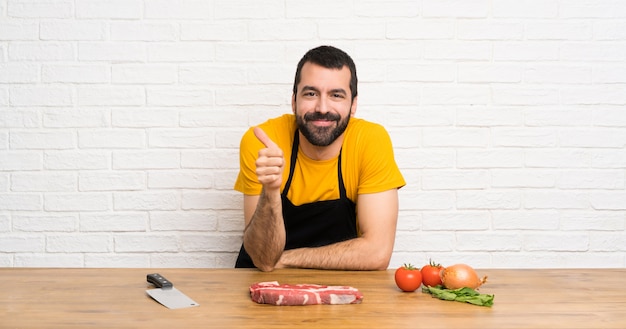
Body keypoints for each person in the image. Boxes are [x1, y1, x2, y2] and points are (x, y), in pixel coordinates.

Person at [234, 45, 405, 271]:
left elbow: (377, 254)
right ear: (294, 100)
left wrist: (285, 259)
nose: (322, 108)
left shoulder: (370, 141)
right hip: (261, 285)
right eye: (311, 94)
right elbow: (263, 259)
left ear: (353, 104)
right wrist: (271, 191)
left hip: (337, 288)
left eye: (336, 95)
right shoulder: (265, 142)